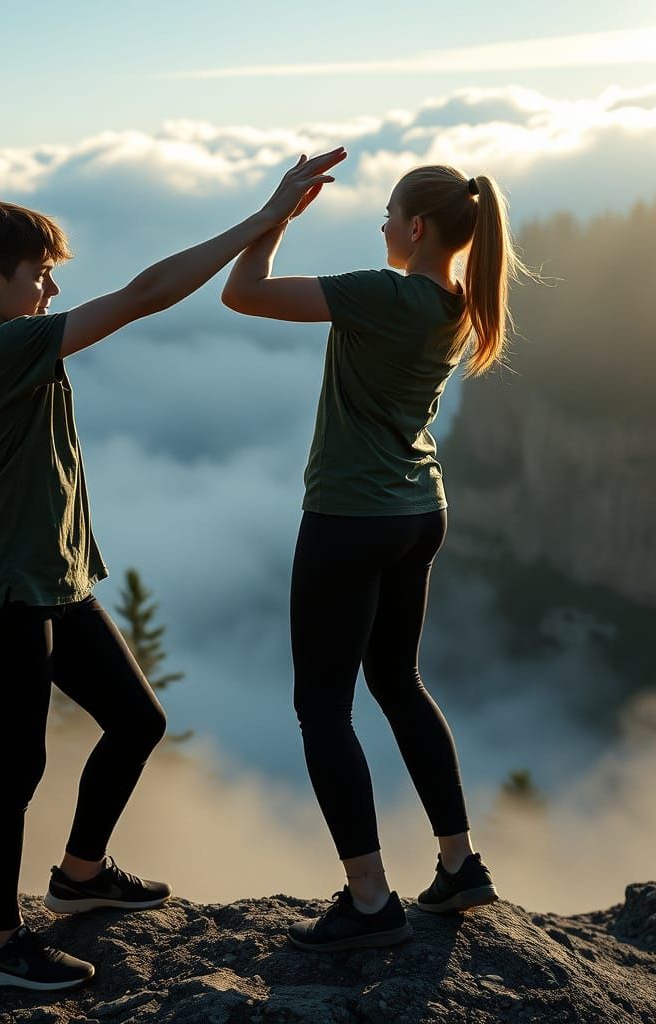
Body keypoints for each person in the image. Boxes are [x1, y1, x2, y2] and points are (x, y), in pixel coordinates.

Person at [0, 147, 347, 990]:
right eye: (40, 276)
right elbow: (146, 294)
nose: (53, 290)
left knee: (137, 721)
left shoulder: (11, 343)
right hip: (6, 592)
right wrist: (263, 220)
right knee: (16, 765)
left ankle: (81, 874)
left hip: (54, 582)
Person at [222, 162, 524, 953]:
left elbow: (242, 292)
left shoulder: (384, 294)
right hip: (421, 510)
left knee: (323, 709)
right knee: (398, 681)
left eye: (390, 214)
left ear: (417, 228)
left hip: (350, 516)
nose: (382, 226)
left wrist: (278, 215)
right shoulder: (461, 302)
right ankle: (459, 864)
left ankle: (368, 900)